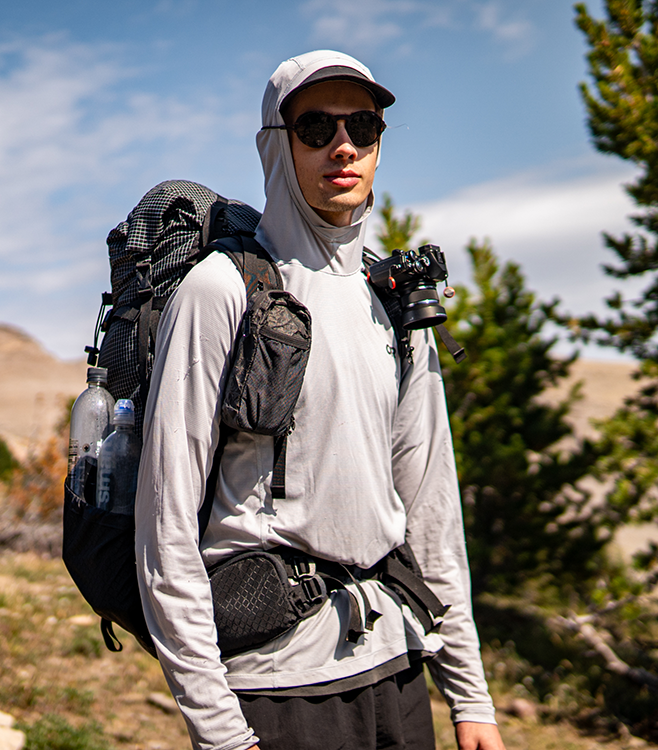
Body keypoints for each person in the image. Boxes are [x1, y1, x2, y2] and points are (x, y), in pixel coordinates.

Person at [135, 50, 506, 750]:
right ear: (276, 147)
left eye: (362, 127)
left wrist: (468, 693)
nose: (343, 146)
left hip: (397, 668)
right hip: (277, 690)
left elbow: (430, 508)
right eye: (314, 128)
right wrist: (218, 730)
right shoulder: (222, 292)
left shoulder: (393, 300)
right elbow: (166, 532)